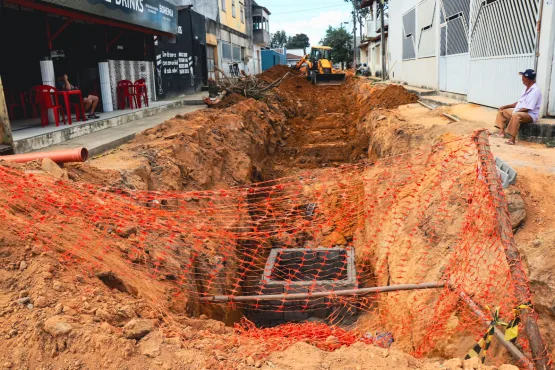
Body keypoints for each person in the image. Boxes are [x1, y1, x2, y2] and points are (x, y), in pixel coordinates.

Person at [494, 69, 542, 145]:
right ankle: (501, 132)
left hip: (530, 115)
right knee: (502, 111)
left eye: (523, 77)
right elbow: (519, 103)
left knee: (516, 115)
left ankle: (512, 139)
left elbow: (528, 108)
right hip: (521, 111)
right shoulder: (525, 89)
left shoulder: (535, 91)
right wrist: (506, 106)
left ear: (527, 78)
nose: (522, 79)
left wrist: (515, 112)